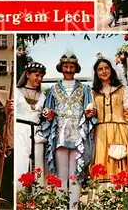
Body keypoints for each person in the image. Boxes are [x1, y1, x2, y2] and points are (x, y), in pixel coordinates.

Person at [41, 52, 96, 210]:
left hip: (78, 133)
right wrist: (48, 114)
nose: (69, 69)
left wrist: (90, 112)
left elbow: (89, 107)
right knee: (61, 174)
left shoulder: (85, 89)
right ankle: (60, 207)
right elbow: (48, 111)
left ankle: (74, 207)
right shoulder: (53, 89)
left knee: (76, 174)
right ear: (61, 68)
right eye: (66, 66)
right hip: (60, 134)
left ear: (76, 69)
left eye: (72, 67)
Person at [91, 56, 128, 182]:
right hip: (100, 134)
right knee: (102, 166)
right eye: (100, 69)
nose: (104, 71)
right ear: (96, 73)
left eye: (106, 68)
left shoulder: (124, 91)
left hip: (120, 131)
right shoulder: (93, 93)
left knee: (120, 162)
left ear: (112, 70)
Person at [16, 62, 47, 186]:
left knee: (37, 165)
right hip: (20, 132)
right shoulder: (17, 92)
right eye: (37, 75)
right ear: (28, 74)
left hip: (37, 133)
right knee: (21, 163)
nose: (39, 79)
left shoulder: (43, 96)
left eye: (42, 77)